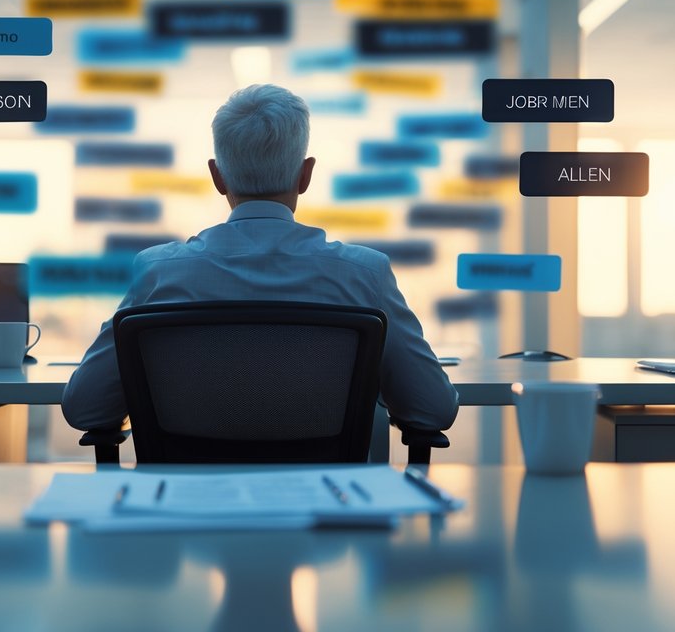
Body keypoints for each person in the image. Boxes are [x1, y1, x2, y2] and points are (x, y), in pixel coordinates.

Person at [61, 83, 458, 433]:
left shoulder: (159, 273)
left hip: (190, 505)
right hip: (326, 502)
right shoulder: (363, 274)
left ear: (218, 177)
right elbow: (432, 410)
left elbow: (86, 409)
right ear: (305, 175)